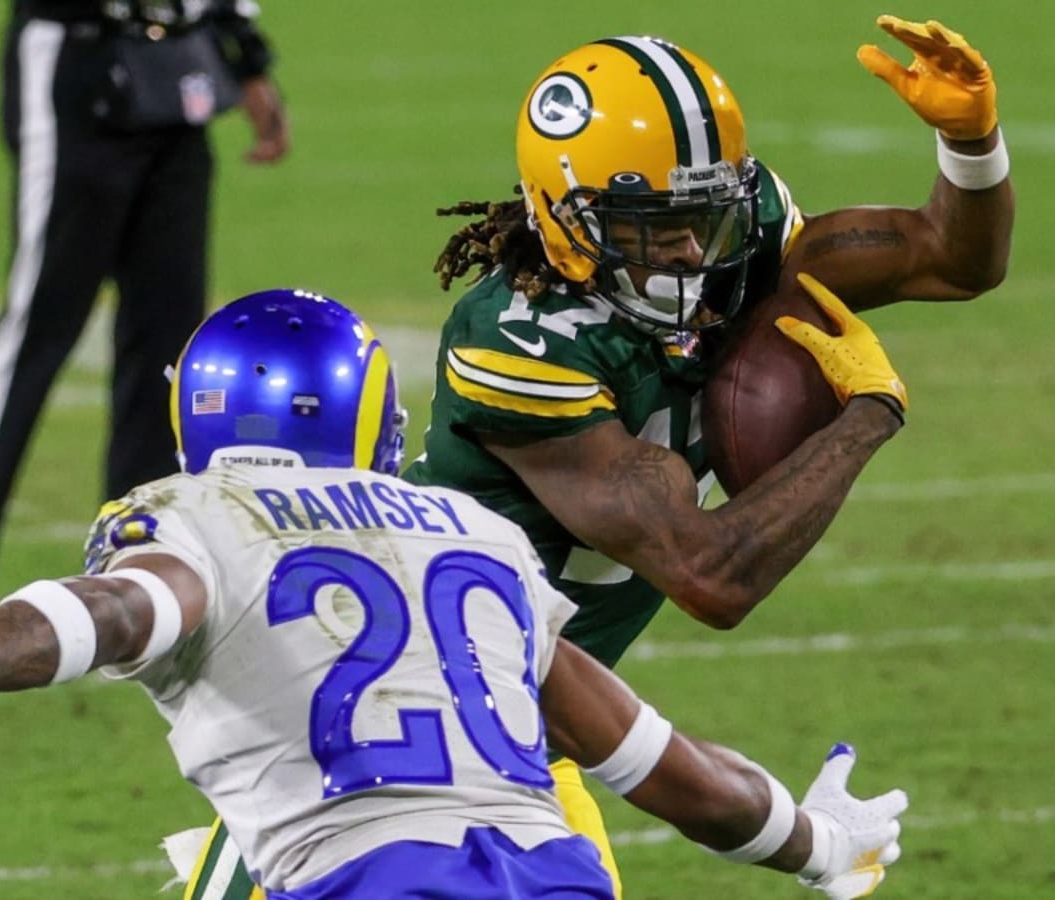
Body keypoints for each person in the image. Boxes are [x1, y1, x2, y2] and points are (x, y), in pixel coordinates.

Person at [0, 289, 907, 900]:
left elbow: (124, 611)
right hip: (554, 876)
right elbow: (653, 760)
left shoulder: (200, 515)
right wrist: (820, 845)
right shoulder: (480, 532)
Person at [397, 16, 1012, 891]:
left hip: (541, 712)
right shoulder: (522, 341)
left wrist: (970, 143)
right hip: (433, 707)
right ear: (569, 218)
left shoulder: (741, 243)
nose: (693, 249)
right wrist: (867, 416)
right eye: (656, 225)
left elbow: (952, 260)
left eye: (704, 215)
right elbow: (710, 577)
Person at [0, 0, 290, 643]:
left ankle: (134, 566)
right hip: (76, 56)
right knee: (37, 329)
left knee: (168, 338)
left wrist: (245, 53)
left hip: (179, 66)